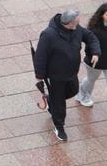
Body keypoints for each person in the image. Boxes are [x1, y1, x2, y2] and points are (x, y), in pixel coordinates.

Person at [33, 9, 100, 141]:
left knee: (72, 90)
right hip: (56, 76)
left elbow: (90, 37)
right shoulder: (48, 35)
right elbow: (40, 56)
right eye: (76, 22)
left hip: (71, 72)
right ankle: (59, 127)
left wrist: (96, 52)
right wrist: (39, 75)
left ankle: (50, 101)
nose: (79, 23)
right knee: (59, 103)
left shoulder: (77, 29)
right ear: (69, 23)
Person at [76, 3, 107, 116]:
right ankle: (83, 94)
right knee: (90, 80)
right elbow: (90, 46)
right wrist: (95, 55)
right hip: (95, 62)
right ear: (101, 15)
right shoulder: (93, 30)